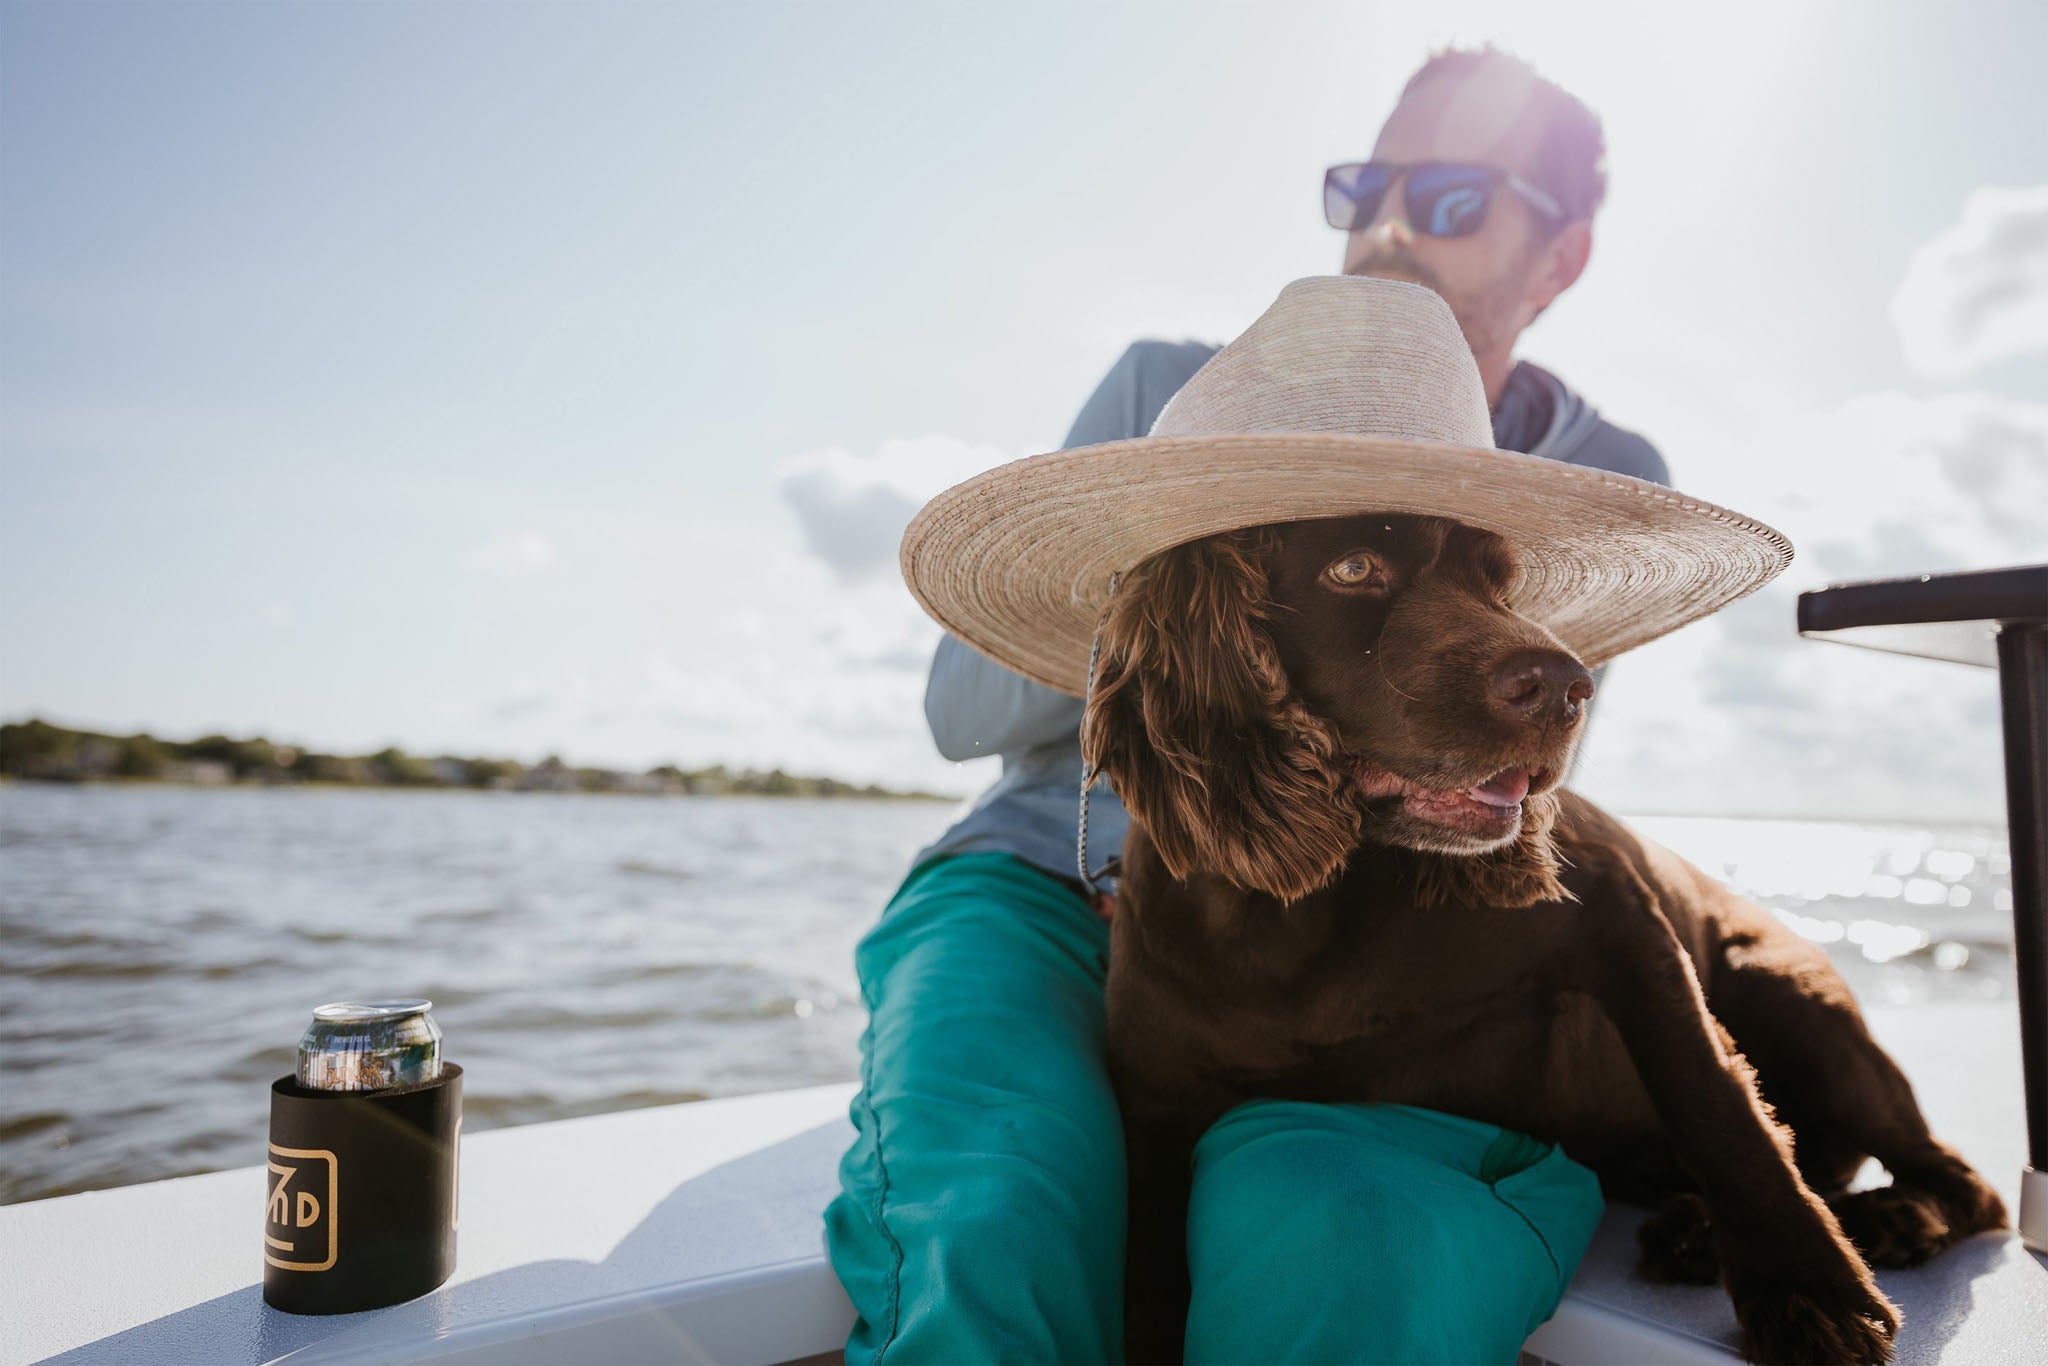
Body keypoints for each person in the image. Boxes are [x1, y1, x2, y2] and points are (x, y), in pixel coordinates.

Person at [826, 48, 1668, 1364]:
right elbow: (958, 714)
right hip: (1044, 874)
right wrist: (1182, 573)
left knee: (1341, 1241)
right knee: (995, 1216)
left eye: (1451, 196)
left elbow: (1494, 798)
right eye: (1365, 186)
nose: (1387, 225)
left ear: (1558, 260)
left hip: (1355, 938)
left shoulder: (1601, 474)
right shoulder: (1166, 387)